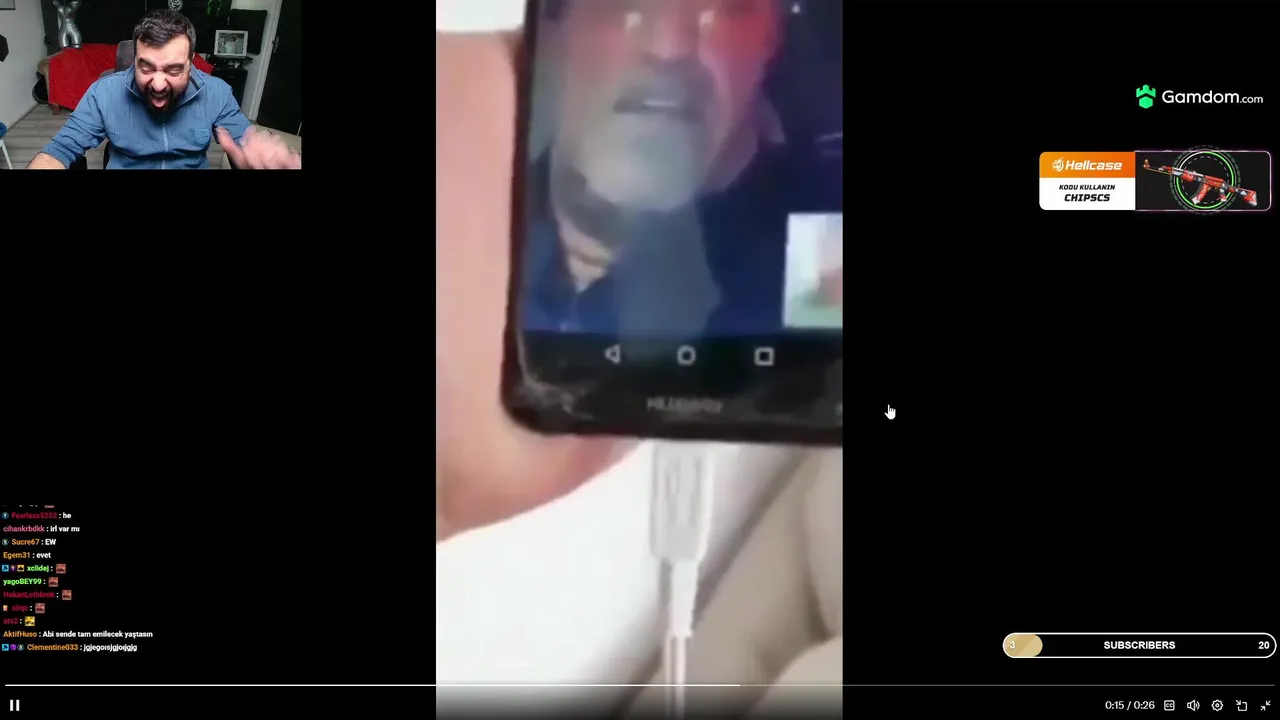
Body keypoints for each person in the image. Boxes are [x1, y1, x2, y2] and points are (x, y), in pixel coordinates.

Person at [521, 0, 818, 337]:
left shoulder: (820, 267)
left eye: (724, 4)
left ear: (771, 36)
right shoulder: (478, 235)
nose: (670, 48)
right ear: (550, 26)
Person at [28, 10, 299, 170]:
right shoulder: (104, 93)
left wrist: (257, 155)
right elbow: (61, 148)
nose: (158, 85)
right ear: (135, 59)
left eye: (173, 70)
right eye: (146, 68)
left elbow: (244, 141)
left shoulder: (217, 92)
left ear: (191, 63)